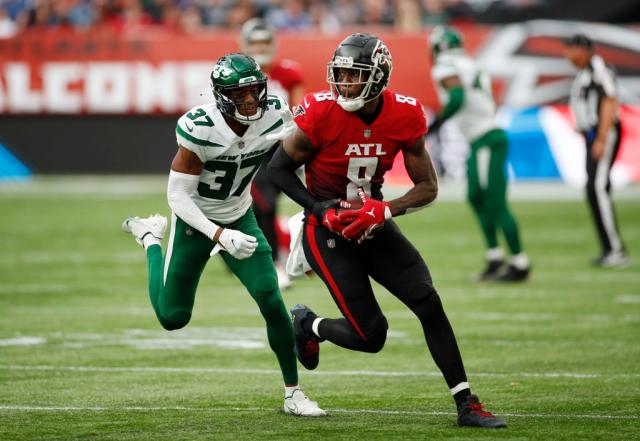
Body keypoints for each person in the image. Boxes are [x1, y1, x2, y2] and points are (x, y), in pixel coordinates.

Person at [268, 32, 506, 428]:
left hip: (372, 225)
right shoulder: (322, 113)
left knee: (428, 301)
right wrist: (318, 208)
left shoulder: (404, 114)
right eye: (340, 75)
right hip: (327, 231)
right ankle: (308, 324)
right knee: (371, 336)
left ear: (378, 77)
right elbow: (277, 168)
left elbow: (428, 187)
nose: (343, 84)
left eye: (353, 76)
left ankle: (466, 402)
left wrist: (385, 211)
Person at [121, 53, 325, 417]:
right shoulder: (201, 127)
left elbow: (306, 150)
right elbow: (177, 196)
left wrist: (308, 212)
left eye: (253, 90)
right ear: (221, 96)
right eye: (239, 93)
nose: (249, 100)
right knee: (173, 317)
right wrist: (217, 235)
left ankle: (293, 393)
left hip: (240, 215)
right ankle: (150, 238)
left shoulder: (276, 112)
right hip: (195, 221)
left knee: (269, 295)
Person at [427, 26, 531, 282]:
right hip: (480, 137)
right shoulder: (469, 62)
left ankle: (519, 262)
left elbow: (458, 97)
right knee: (475, 196)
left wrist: (435, 125)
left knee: (495, 202)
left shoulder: (446, 64)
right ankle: (495, 257)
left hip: (486, 138)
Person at [241, 17, 305, 290]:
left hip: (283, 146)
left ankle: (305, 255)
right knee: (263, 204)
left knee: (309, 199)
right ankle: (276, 263)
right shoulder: (238, 73)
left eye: (264, 42)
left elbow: (300, 110)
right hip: (252, 148)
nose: (260, 47)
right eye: (254, 42)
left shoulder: (288, 72)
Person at [565, 34, 629, 268]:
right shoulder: (584, 72)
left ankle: (616, 251)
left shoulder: (598, 69)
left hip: (604, 133)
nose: (567, 55)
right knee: (594, 189)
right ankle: (609, 248)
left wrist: (601, 137)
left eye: (571, 50)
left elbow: (609, 100)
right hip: (592, 135)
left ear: (583, 50)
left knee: (598, 188)